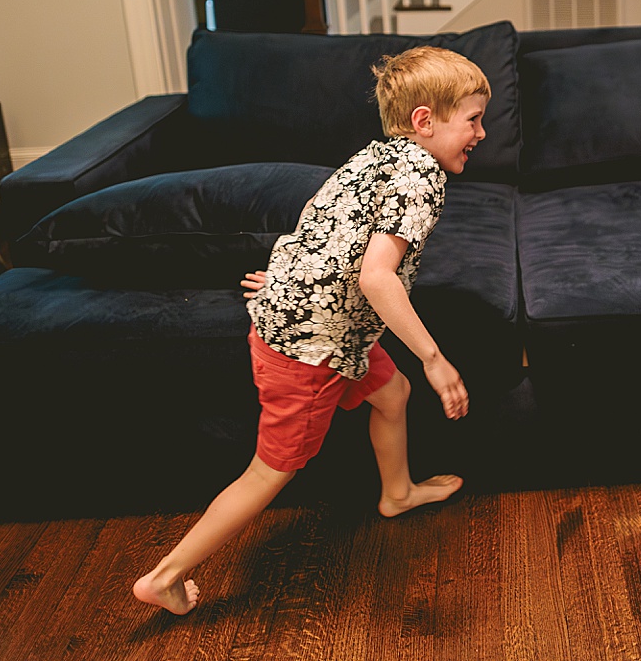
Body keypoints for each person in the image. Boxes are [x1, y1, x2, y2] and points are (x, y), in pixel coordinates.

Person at [133, 45, 489, 616]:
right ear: (425, 121)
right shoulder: (423, 179)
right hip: (313, 350)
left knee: (391, 394)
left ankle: (397, 494)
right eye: (472, 119)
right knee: (270, 471)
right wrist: (432, 356)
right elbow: (377, 277)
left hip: (327, 329)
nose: (482, 132)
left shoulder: (377, 157)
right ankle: (164, 576)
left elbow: (324, 225)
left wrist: (286, 283)